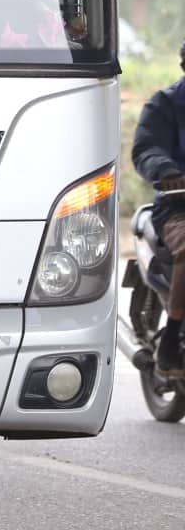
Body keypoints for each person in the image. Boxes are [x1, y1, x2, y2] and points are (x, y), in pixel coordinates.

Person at [133, 45, 185, 375]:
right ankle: (171, 342)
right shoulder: (165, 105)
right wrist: (166, 171)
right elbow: (146, 148)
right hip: (179, 206)